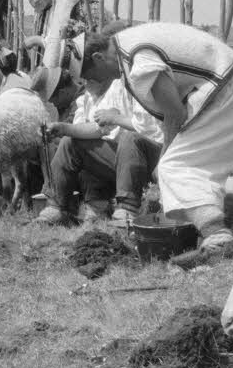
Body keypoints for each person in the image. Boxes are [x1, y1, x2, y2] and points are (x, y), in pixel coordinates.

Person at [72, 21, 233, 265]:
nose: (91, 82)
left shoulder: (137, 59)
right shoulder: (128, 46)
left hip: (226, 92)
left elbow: (174, 113)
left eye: (89, 76)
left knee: (173, 167)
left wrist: (163, 158)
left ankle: (219, 239)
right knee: (198, 170)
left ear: (97, 58)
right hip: (231, 89)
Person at [37, 33, 165, 227]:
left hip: (153, 156)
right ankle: (55, 207)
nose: (86, 81)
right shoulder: (96, 95)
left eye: (88, 75)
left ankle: (127, 210)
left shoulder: (136, 76)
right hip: (123, 160)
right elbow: (99, 130)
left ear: (99, 60)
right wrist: (63, 128)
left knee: (130, 139)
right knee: (70, 142)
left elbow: (149, 128)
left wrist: (116, 118)